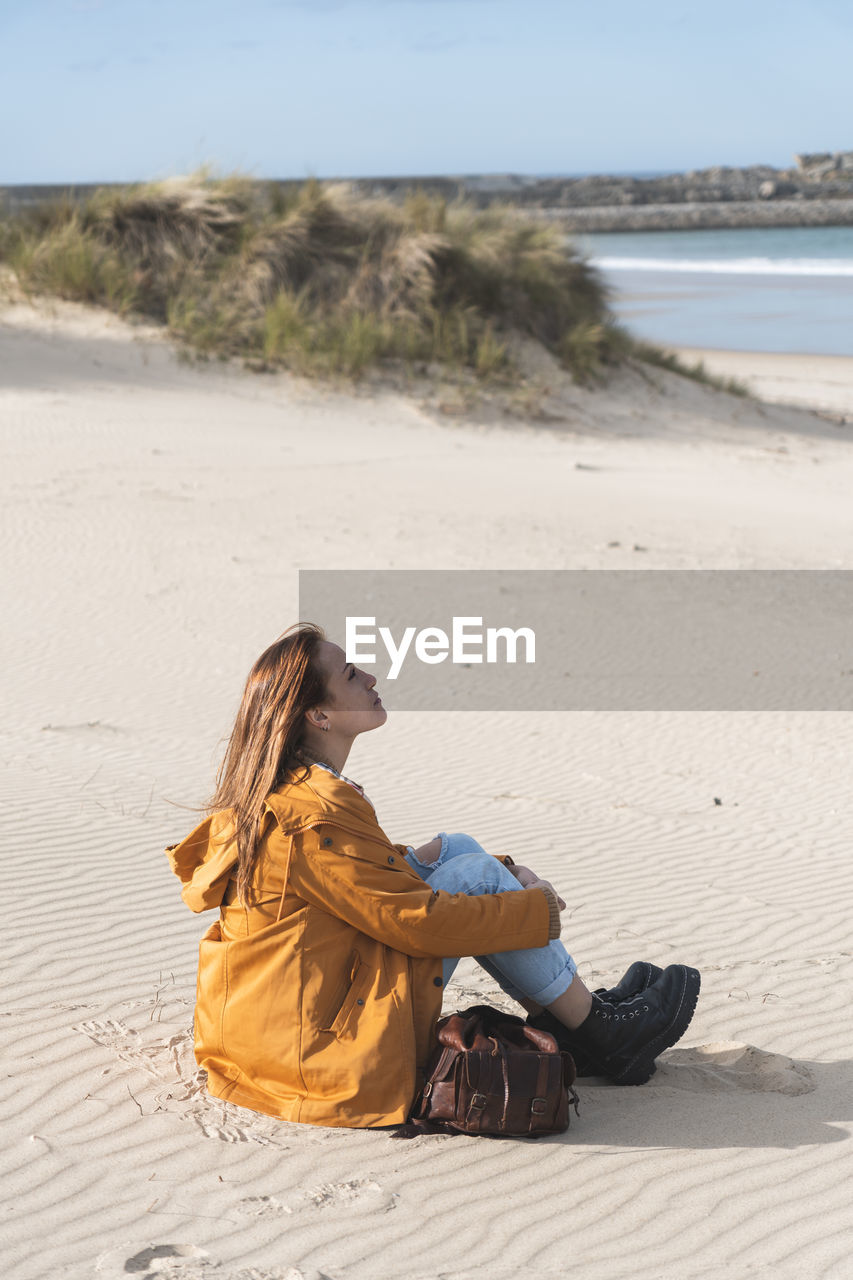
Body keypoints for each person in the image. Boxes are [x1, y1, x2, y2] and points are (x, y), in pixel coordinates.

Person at [166, 624, 700, 1129]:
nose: (371, 678)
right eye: (351, 674)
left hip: (276, 1027)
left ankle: (573, 1019)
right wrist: (536, 904)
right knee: (478, 877)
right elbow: (415, 924)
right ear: (318, 716)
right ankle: (601, 1033)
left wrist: (448, 865)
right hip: (315, 1055)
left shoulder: (296, 791)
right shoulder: (314, 817)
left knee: (460, 851)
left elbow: (350, 885)